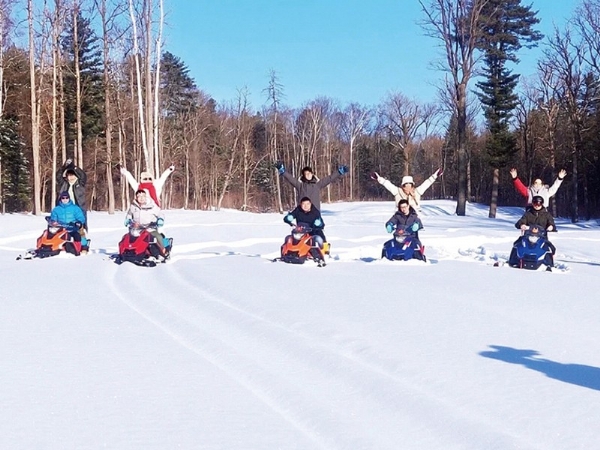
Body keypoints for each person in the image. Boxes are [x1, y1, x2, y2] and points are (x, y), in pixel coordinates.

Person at [275, 162, 348, 211]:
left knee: (317, 234)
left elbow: (329, 178)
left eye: (309, 173)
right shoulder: (300, 186)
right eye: (306, 174)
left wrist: (339, 172)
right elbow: (290, 179)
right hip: (302, 215)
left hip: (314, 215)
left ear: (312, 174)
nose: (308, 175)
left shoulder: (318, 185)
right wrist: (283, 171)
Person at [509, 195, 556, 269]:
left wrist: (551, 226)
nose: (537, 206)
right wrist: (522, 225)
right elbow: (520, 222)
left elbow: (552, 223)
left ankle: (548, 264)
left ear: (542, 204)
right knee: (517, 244)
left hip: (542, 237)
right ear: (532, 204)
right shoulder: (528, 213)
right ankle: (514, 261)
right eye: (535, 203)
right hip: (528, 236)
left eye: (539, 204)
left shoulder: (547, 215)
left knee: (549, 248)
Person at [371, 169, 442, 212]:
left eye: (410, 184)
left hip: (414, 219)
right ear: (403, 185)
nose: (408, 186)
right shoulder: (397, 191)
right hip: (400, 217)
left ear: (412, 185)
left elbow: (427, 183)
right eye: (406, 185)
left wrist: (435, 175)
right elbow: (387, 184)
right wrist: (378, 178)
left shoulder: (417, 192)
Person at [125, 189, 167, 255]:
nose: (141, 198)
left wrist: (160, 219)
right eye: (139, 196)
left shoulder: (152, 206)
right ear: (136, 197)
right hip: (137, 229)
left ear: (146, 197)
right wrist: (128, 220)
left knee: (158, 236)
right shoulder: (133, 206)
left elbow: (160, 213)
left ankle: (163, 251)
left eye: (143, 196)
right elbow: (129, 214)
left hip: (150, 228)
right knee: (127, 238)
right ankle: (127, 251)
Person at [57, 158, 88, 230]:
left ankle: (82, 239)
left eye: (71, 175)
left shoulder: (80, 183)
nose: (69, 177)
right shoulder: (64, 183)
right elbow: (58, 176)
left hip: (78, 210)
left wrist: (74, 167)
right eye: (68, 175)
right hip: (65, 210)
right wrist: (64, 167)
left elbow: (83, 175)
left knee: (80, 231)